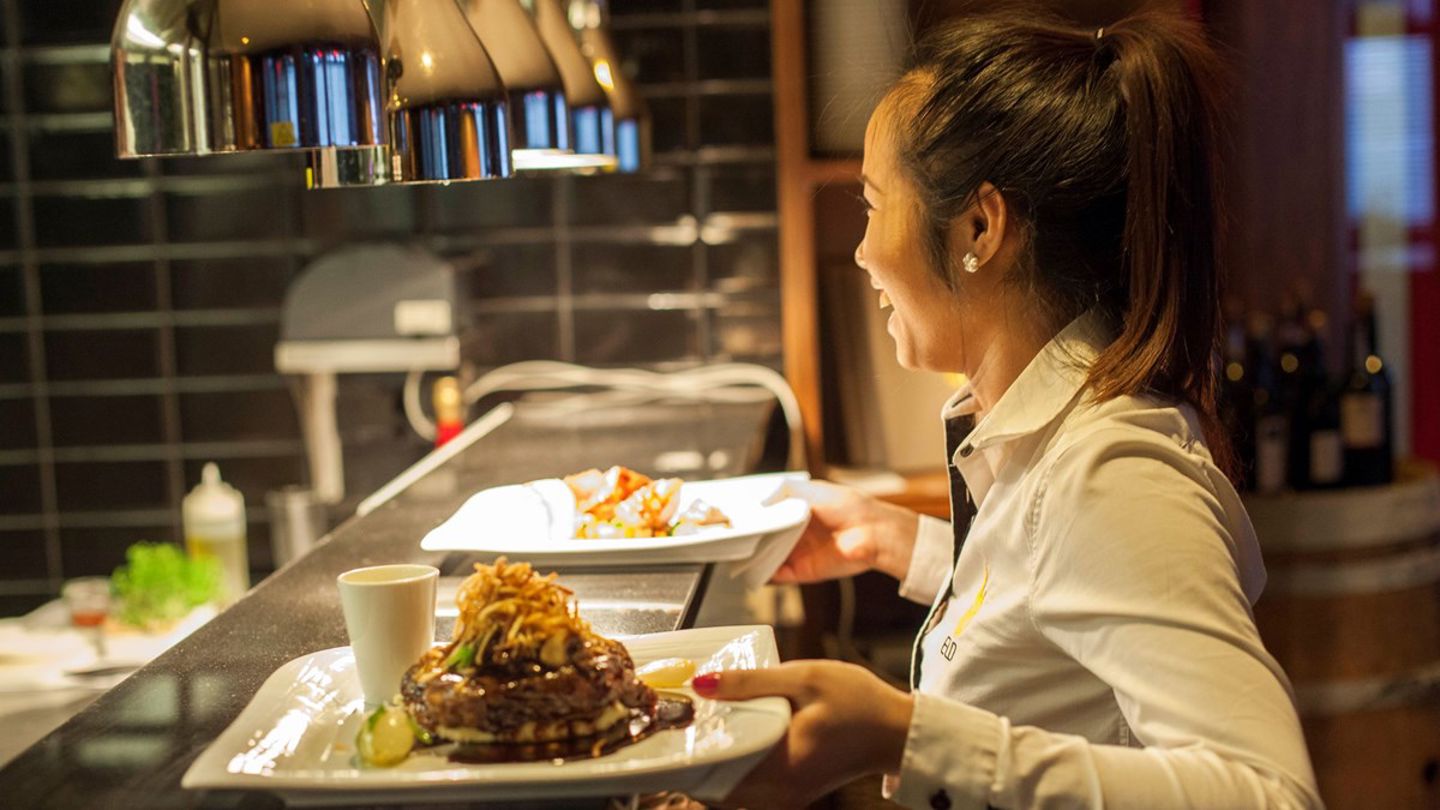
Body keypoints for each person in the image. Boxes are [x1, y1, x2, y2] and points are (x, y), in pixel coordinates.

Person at [696, 8, 1323, 809]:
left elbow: (1268, 794)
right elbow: (1052, 601)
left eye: (872, 203)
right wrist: (901, 543)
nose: (861, 251)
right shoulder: (1049, 440)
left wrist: (905, 732)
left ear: (981, 226)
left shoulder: (1111, 475)